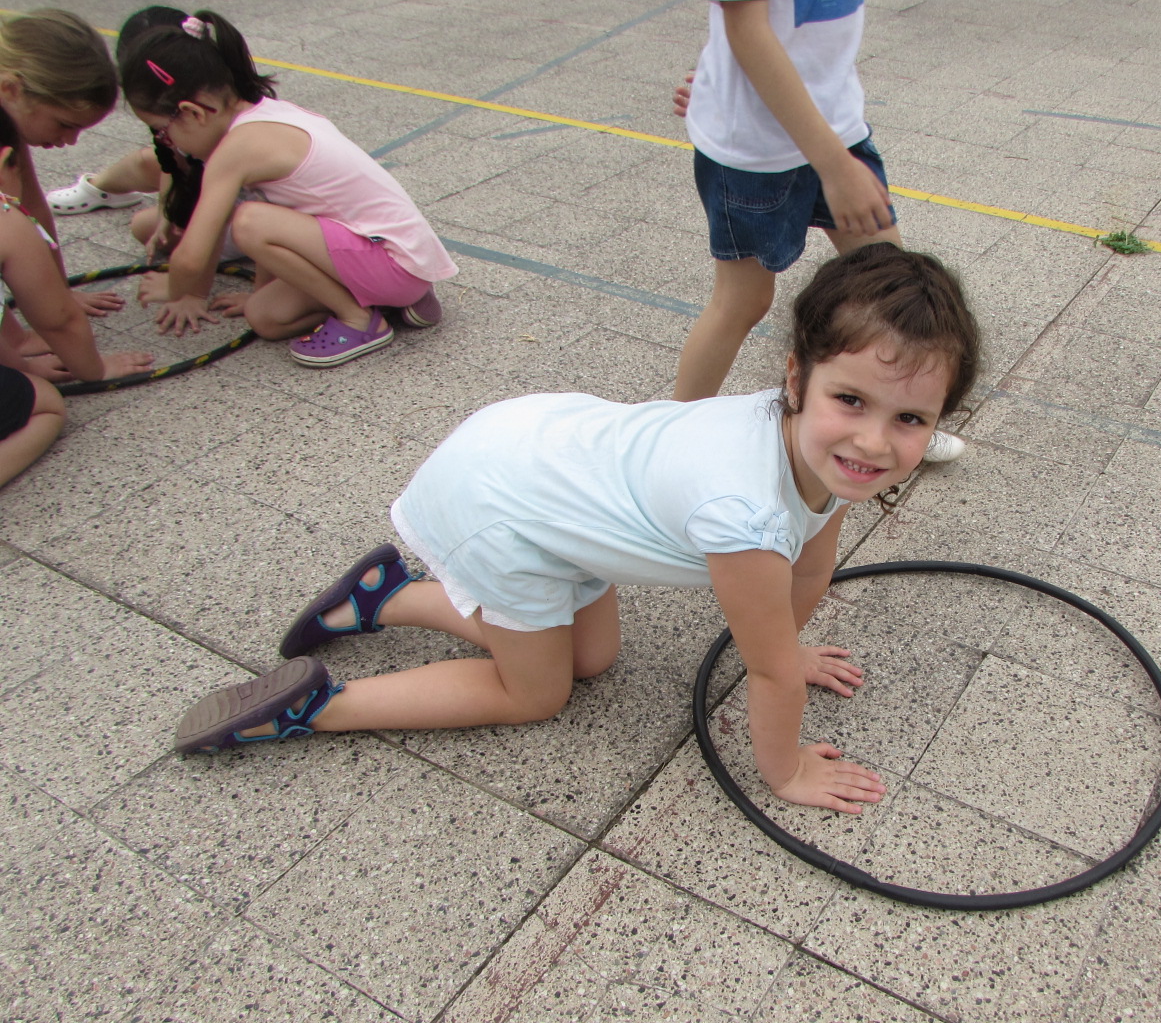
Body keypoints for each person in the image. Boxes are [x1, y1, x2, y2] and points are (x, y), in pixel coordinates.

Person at [173, 244, 980, 813]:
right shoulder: (745, 514)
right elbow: (767, 673)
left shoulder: (824, 449)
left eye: (910, 419)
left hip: (554, 473)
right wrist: (787, 769)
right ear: (797, 377)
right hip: (502, 505)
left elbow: (811, 564)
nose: (875, 442)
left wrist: (789, 645)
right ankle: (319, 707)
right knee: (538, 692)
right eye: (853, 401)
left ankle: (383, 597)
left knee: (592, 660)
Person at [655, 0, 964, 462]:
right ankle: (666, 439)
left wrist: (718, 74)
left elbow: (789, 25)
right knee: (742, 301)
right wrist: (835, 167)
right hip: (757, 152)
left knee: (891, 283)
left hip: (835, 127)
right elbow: (747, 30)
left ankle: (899, 415)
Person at [118, 10, 456, 365]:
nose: (166, 142)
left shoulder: (235, 150)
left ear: (193, 113)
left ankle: (358, 320)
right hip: (404, 261)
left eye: (162, 131)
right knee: (265, 317)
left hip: (394, 263)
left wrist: (176, 288)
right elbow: (280, 216)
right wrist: (258, 294)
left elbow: (193, 256)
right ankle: (394, 303)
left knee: (248, 220)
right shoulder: (269, 112)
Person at [0, 107, 152, 486]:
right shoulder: (5, 218)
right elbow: (58, 320)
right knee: (46, 405)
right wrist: (94, 370)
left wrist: (20, 362)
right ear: (6, 161)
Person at [49, 8, 247, 270]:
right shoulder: (183, 101)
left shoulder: (226, 120)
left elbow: (204, 238)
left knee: (147, 224)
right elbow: (171, 163)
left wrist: (183, 280)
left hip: (245, 207)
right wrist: (167, 212)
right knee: (149, 172)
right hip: (220, 188)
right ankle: (98, 188)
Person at [0, 9, 132, 382]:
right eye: (64, 124)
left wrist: (58, 291)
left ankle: (15, 339)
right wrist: (92, 368)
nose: (70, 141)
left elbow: (31, 206)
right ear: (12, 90)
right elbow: (57, 320)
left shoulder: (7, 117)